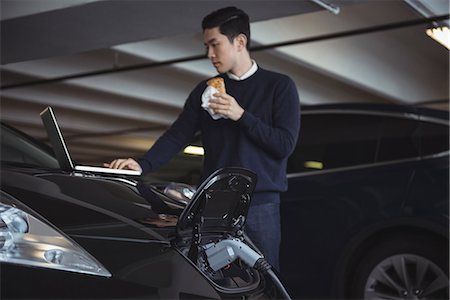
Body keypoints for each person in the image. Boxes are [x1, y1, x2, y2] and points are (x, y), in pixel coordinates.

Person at [105, 6, 300, 271]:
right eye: (207, 45)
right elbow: (178, 135)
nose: (209, 54)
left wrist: (240, 115)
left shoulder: (280, 86)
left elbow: (284, 146)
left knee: (264, 279)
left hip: (260, 203)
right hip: (214, 204)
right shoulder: (205, 90)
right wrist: (143, 164)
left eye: (215, 44)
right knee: (213, 278)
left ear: (239, 42)